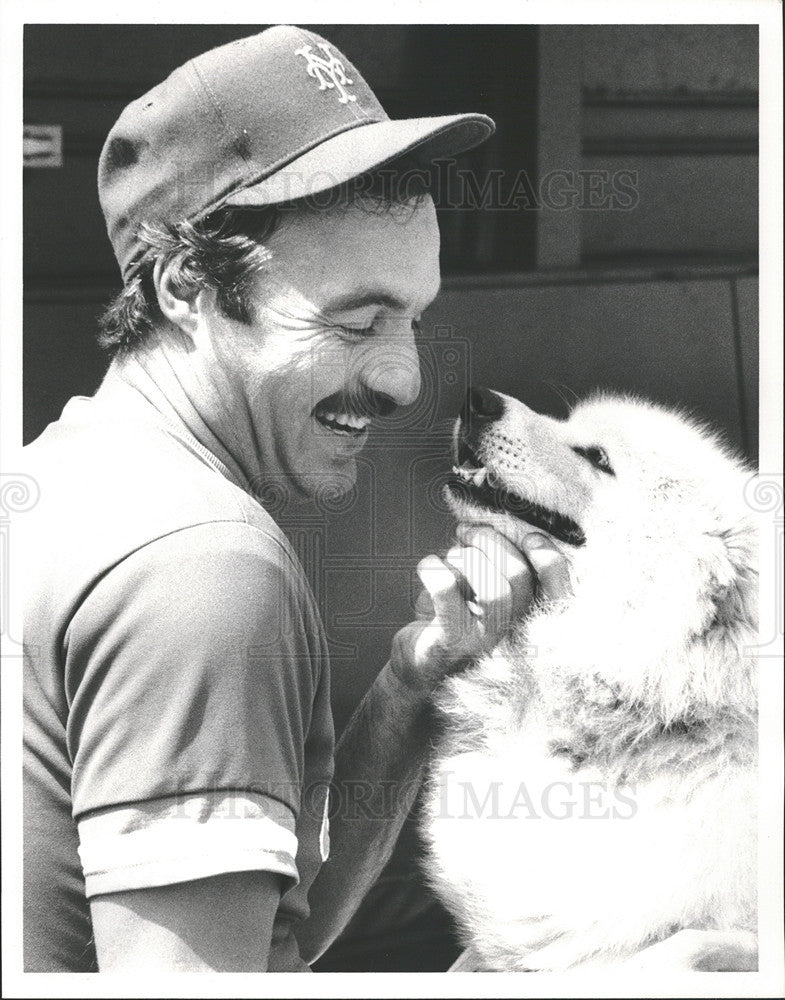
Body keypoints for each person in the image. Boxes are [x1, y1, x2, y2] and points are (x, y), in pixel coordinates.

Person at [22, 24, 755, 975]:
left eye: (412, 317)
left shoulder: (66, 479)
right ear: (183, 288)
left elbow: (275, 925)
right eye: (356, 320)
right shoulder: (200, 569)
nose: (406, 378)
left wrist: (413, 679)